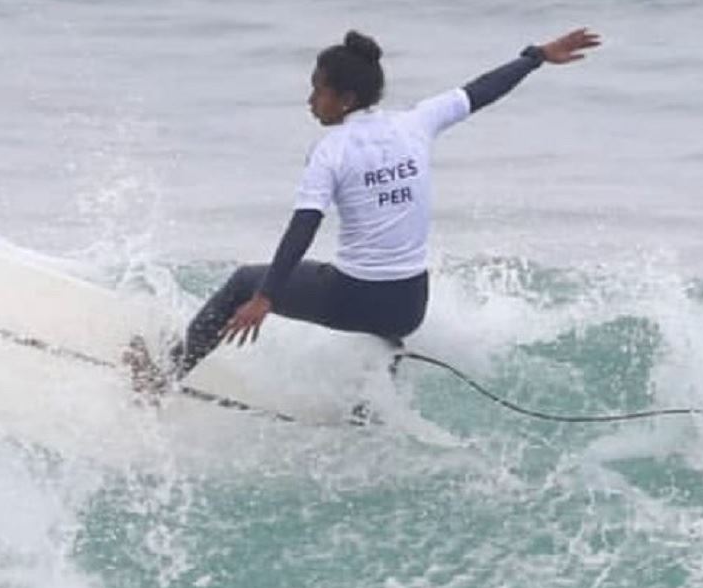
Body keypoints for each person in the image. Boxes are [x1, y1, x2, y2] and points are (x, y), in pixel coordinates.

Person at [127, 26, 602, 391]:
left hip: (354, 297)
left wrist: (265, 296)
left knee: (242, 282)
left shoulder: (332, 150)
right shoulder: (417, 124)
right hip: (409, 305)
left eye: (318, 90)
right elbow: (481, 91)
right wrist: (535, 57)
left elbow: (303, 227)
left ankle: (163, 378)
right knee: (379, 323)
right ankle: (368, 411)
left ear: (346, 98)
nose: (310, 99)